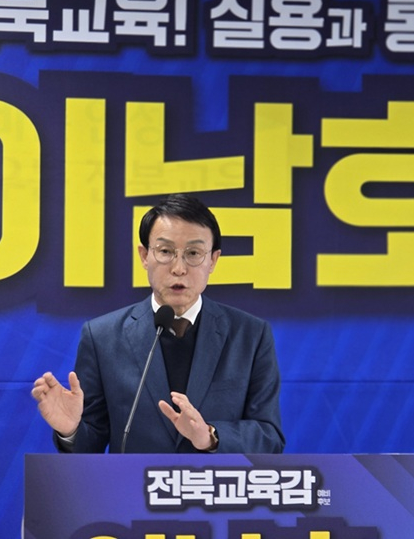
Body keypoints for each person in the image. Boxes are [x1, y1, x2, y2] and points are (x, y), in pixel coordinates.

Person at [31, 193, 285, 453]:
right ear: (144, 256)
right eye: (165, 252)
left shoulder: (251, 336)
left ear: (213, 260)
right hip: (133, 481)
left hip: (215, 480)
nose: (179, 268)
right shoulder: (102, 337)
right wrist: (71, 430)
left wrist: (210, 435)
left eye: (193, 253)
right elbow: (90, 444)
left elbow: (269, 437)